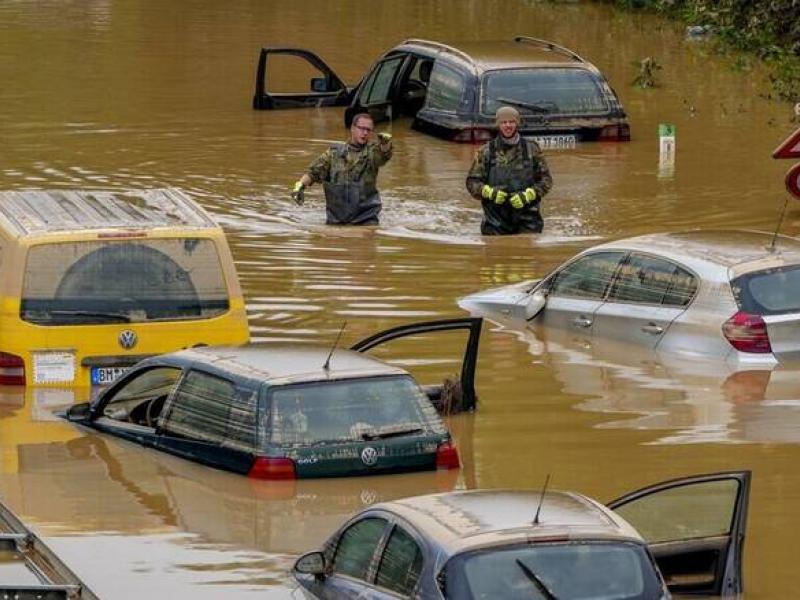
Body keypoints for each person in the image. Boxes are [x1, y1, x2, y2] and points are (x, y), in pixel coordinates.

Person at [290, 113, 393, 225]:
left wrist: (385, 143)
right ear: (352, 128)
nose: (365, 133)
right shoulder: (334, 153)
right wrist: (299, 186)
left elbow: (383, 156)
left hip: (366, 218)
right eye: (362, 128)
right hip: (336, 219)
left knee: (366, 239)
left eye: (368, 130)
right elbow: (314, 172)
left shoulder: (372, 153)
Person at [466, 106, 553, 235]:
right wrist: (489, 192)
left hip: (528, 220)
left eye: (511, 122)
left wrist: (530, 195)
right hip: (495, 222)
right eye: (503, 122)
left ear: (517, 123)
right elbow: (472, 183)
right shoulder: (486, 151)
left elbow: (546, 181)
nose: (508, 126)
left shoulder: (532, 149)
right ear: (498, 125)